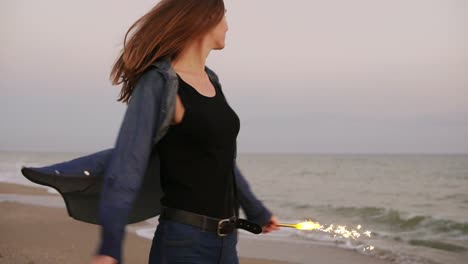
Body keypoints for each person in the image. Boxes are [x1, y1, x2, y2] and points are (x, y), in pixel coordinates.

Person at [90, 0, 279, 264]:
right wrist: (110, 247)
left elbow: (222, 160)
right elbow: (126, 166)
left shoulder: (212, 81)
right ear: (205, 20)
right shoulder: (160, 83)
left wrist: (256, 211)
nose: (227, 26)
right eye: (223, 17)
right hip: (184, 244)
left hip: (226, 243)